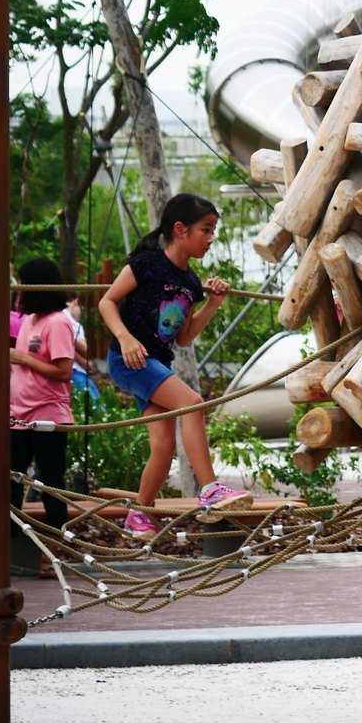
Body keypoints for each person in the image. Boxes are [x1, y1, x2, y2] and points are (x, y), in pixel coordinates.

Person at [97, 194, 249, 536]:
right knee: (194, 403)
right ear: (180, 230)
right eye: (205, 230)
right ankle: (210, 490)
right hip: (129, 360)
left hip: (156, 365)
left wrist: (213, 303)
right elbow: (107, 301)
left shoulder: (191, 283)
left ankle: (139, 513)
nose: (211, 239)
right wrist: (124, 337)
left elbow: (183, 338)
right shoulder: (147, 264)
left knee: (163, 447)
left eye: (213, 231)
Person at [9, 258, 76, 577]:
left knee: (52, 486)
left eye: (23, 282)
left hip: (48, 415)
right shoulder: (29, 320)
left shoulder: (58, 322)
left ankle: (55, 555)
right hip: (17, 416)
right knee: (8, 485)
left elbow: (64, 372)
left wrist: (24, 358)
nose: (18, 289)